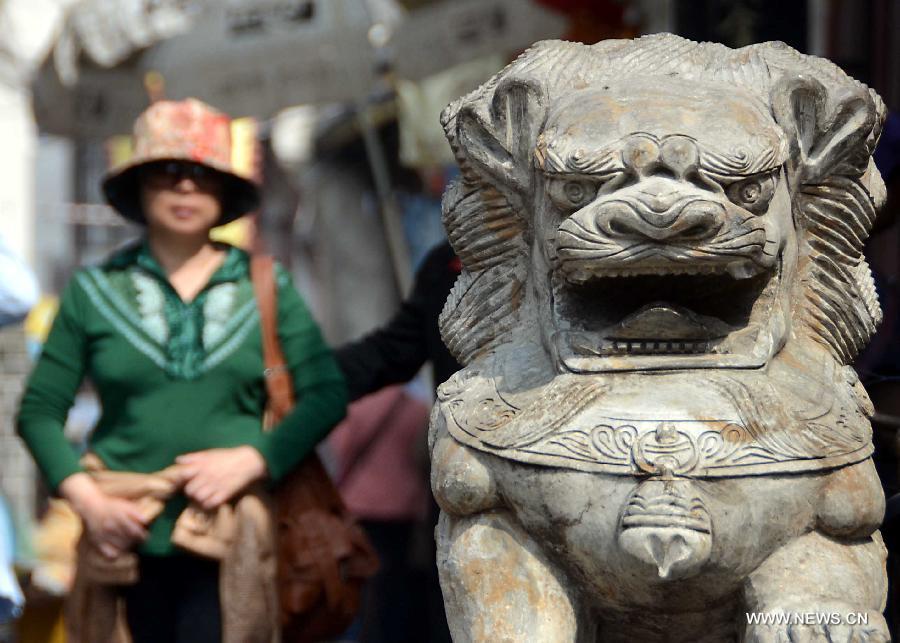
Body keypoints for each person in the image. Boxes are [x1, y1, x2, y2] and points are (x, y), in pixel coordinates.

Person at [16, 98, 347, 642]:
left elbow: (325, 395)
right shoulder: (92, 290)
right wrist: (90, 504)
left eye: (203, 175)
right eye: (169, 172)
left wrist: (254, 459)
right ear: (141, 186)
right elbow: (38, 413)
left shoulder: (267, 284)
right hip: (118, 543)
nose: (186, 187)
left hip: (233, 540)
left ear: (224, 192)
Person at [335, 239, 461, 643]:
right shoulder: (447, 261)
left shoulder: (576, 246)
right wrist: (297, 377)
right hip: (461, 497)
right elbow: (394, 350)